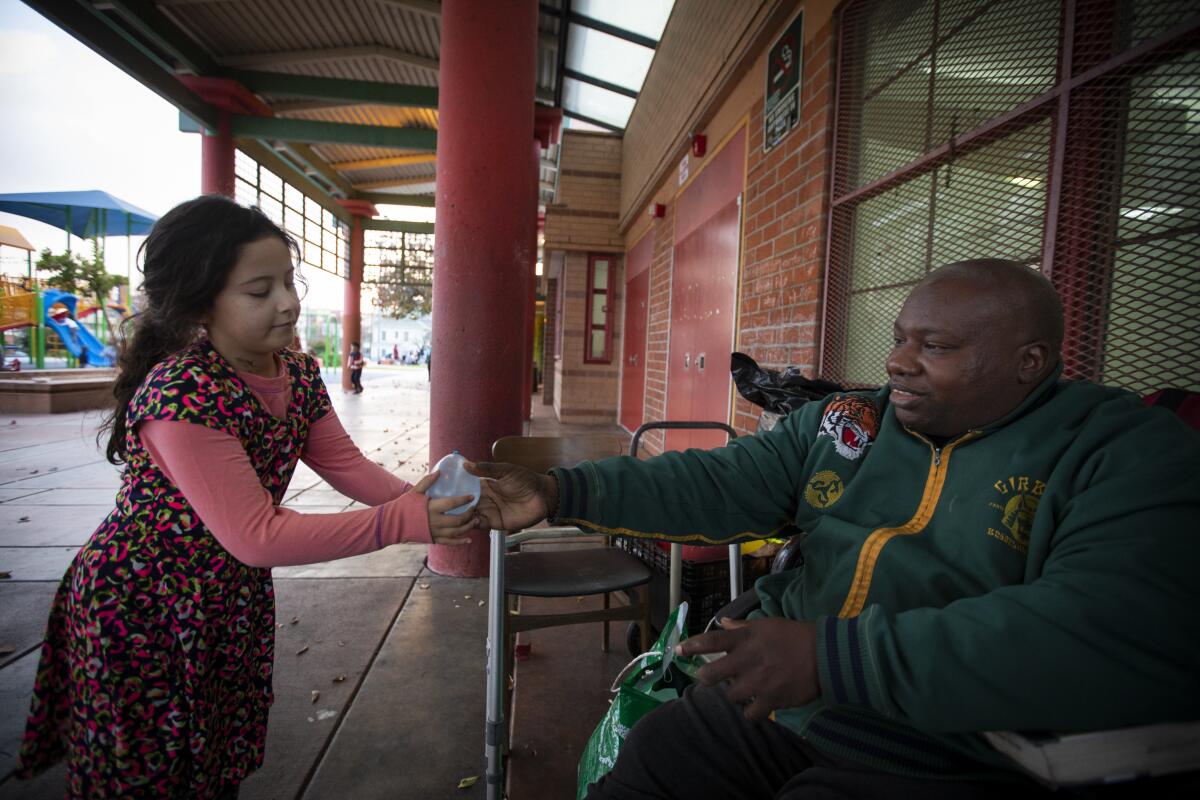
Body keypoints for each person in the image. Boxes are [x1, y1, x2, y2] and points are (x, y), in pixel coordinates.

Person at [470, 259, 1200, 799]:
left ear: (1028, 363)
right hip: (781, 706)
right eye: (899, 338)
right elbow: (723, 480)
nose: (896, 361)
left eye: (935, 347)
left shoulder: (1122, 449)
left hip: (946, 748)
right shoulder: (852, 422)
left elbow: (1100, 626)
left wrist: (836, 658)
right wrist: (560, 491)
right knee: (656, 762)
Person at [15, 195, 483, 799]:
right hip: (146, 604)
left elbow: (344, 464)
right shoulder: (184, 390)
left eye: (288, 283)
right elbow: (256, 535)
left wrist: (429, 503)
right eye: (259, 292)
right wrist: (399, 522)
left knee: (213, 766)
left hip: (226, 598)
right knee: (147, 777)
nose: (287, 302)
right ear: (200, 301)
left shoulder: (294, 371)